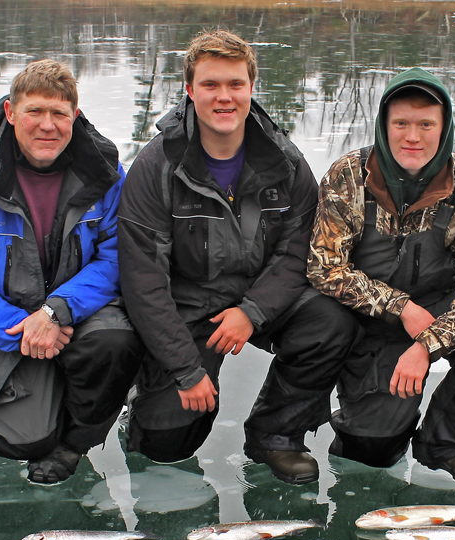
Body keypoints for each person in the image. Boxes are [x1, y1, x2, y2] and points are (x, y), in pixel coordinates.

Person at [117, 30, 356, 485]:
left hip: (259, 299)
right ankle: (143, 409)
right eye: (210, 85)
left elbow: (296, 252)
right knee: (167, 445)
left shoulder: (286, 162)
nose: (223, 97)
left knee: (329, 319)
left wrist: (253, 312)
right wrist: (185, 369)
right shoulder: (157, 166)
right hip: (187, 306)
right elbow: (143, 281)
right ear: (189, 91)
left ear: (251, 88)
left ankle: (276, 436)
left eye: (235, 84)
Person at [308, 67, 455, 489]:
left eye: (425, 124)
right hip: (374, 320)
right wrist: (399, 306)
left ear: (443, 128)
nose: (412, 136)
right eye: (401, 123)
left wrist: (427, 345)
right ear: (384, 125)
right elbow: (324, 266)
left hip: (442, 311)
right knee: (372, 450)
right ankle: (369, 436)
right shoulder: (348, 176)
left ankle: (448, 443)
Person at [0, 59, 144, 484]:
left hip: (78, 315)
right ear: (11, 113)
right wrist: (23, 326)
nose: (48, 125)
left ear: (74, 118)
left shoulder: (106, 174)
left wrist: (57, 311)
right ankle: (28, 405)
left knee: (116, 342)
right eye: (35, 111)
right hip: (3, 325)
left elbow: (119, 257)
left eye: (59, 113)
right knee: (23, 444)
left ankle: (75, 442)